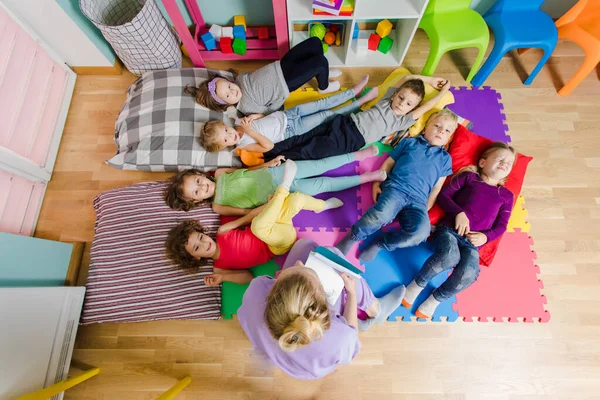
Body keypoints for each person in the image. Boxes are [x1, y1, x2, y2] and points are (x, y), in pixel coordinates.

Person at [237, 238, 407, 380]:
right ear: (322, 298)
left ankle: (327, 259)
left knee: (304, 246)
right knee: (352, 277)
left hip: (277, 351)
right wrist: (352, 293)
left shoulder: (257, 289)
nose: (297, 263)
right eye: (304, 270)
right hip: (306, 366)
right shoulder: (339, 339)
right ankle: (376, 311)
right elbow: (351, 344)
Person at [165, 162, 344, 286]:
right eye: (198, 248)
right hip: (279, 244)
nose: (204, 243)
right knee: (259, 228)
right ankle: (285, 185)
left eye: (200, 237)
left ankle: (323, 206)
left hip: (275, 222)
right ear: (196, 258)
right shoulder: (219, 267)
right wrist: (222, 278)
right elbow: (247, 277)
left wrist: (272, 204)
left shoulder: (222, 231)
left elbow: (250, 215)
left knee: (295, 199)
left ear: (201, 232)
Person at [402, 142, 516, 319]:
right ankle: (417, 284)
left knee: (470, 273)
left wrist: (485, 238)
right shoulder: (469, 178)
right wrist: (459, 212)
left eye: (509, 163)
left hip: (472, 243)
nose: (505, 163)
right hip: (449, 231)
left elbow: (502, 226)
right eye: (500, 158)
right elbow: (443, 196)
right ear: (483, 162)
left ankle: (436, 299)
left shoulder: (507, 196)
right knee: (449, 256)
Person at [336, 109, 458, 262]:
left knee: (421, 233)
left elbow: (436, 188)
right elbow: (388, 164)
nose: (441, 131)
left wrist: (425, 208)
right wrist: (377, 183)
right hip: (396, 188)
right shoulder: (409, 142)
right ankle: (354, 236)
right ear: (426, 126)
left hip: (419, 201)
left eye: (447, 130)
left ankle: (382, 244)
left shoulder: (445, 159)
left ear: (449, 137)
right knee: (380, 214)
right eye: (437, 126)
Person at [261, 74, 451, 162]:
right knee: (303, 137)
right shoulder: (387, 99)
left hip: (350, 140)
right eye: (401, 97)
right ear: (395, 94)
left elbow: (426, 105)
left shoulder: (402, 120)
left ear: (413, 108)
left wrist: (444, 90)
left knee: (311, 151)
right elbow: (406, 78)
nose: (402, 104)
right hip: (344, 121)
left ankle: (276, 159)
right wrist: (428, 80)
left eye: (408, 104)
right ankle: (266, 151)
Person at [164, 146, 384, 215]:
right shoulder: (217, 207)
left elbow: (247, 170)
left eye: (197, 181)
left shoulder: (220, 173)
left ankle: (357, 156)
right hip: (279, 193)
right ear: (195, 201)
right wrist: (268, 205)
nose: (202, 186)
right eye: (197, 191)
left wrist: (268, 164)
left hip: (275, 173)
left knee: (321, 164)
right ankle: (369, 177)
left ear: (200, 174)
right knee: (323, 185)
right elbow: (244, 213)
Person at [198, 76, 378, 153]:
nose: (231, 134)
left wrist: (255, 117)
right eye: (227, 139)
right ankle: (359, 103)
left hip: (287, 115)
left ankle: (352, 92)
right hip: (292, 129)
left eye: (227, 130)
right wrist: (250, 132)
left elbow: (263, 118)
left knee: (320, 103)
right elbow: (267, 146)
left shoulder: (238, 123)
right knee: (327, 115)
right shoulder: (243, 146)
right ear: (225, 146)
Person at [185, 37, 341, 115]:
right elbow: (269, 112)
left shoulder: (239, 80)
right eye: (228, 94)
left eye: (229, 86)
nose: (233, 91)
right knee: (320, 62)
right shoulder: (245, 106)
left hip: (281, 65)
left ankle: (322, 74)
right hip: (286, 83)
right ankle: (323, 85)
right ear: (226, 104)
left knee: (315, 43)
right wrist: (280, 98)